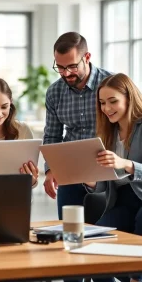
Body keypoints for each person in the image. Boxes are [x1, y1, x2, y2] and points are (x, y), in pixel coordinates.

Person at [43, 31, 112, 219]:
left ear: (87, 57)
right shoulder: (54, 92)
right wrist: (50, 169)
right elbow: (52, 136)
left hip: (106, 173)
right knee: (68, 229)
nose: (66, 73)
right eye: (60, 67)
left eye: (72, 66)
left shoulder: (111, 85)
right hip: (70, 171)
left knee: (104, 231)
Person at [84, 73, 142, 282]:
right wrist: (90, 180)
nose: (106, 108)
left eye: (113, 101)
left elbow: (124, 167)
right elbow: (106, 184)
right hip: (123, 200)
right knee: (94, 244)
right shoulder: (108, 133)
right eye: (102, 103)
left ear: (129, 98)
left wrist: (126, 164)